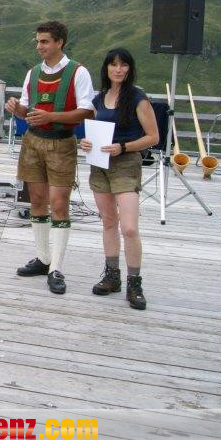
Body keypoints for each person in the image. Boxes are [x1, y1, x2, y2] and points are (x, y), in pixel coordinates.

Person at [5, 20, 95, 294]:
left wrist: (51, 116)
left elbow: (87, 111)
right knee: (37, 201)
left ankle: (56, 267)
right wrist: (16, 108)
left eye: (44, 41)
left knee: (59, 204)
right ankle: (43, 258)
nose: (39, 46)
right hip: (32, 141)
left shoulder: (78, 72)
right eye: (38, 41)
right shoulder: (33, 73)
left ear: (59, 42)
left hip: (61, 142)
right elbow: (26, 109)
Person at [80, 49, 158, 310]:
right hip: (100, 164)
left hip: (126, 163)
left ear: (130, 69)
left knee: (130, 227)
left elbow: (153, 137)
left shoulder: (138, 98)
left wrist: (123, 147)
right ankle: (112, 276)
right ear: (106, 68)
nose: (118, 69)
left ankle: (135, 282)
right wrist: (86, 143)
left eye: (123, 65)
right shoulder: (99, 98)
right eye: (113, 65)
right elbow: (90, 129)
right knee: (108, 222)